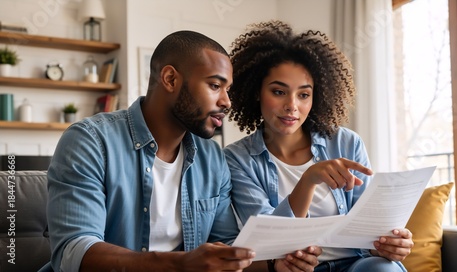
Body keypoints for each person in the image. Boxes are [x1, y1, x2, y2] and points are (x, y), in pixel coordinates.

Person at [42, 30, 321, 272]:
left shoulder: (212, 159)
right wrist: (179, 264)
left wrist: (275, 265)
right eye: (214, 86)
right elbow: (73, 252)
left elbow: (224, 252)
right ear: (170, 79)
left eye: (228, 90)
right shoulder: (90, 141)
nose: (226, 102)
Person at [224, 20, 414, 272]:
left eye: (303, 94)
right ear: (256, 91)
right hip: (295, 269)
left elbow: (368, 227)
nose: (292, 105)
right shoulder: (237, 159)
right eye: (279, 92)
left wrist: (386, 243)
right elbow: (269, 241)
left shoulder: (346, 143)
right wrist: (308, 180)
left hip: (355, 265)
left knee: (383, 268)